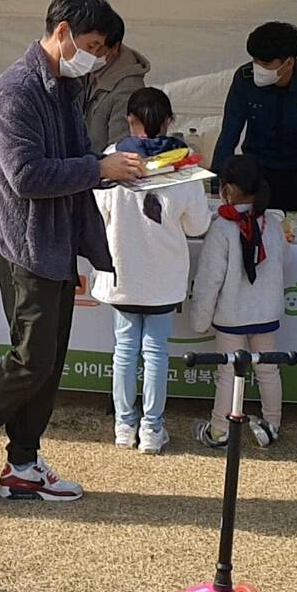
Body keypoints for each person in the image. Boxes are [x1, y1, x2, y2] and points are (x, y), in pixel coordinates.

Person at [0, 0, 144, 502]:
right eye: (92, 45)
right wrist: (99, 168)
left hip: (58, 241)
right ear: (62, 32)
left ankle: (24, 462)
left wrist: (116, 169)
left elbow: (78, 159)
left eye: (102, 50)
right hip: (26, 244)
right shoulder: (16, 89)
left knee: (50, 361)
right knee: (32, 358)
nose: (96, 57)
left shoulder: (65, 86)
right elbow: (26, 175)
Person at [89, 87, 211, 455]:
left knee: (125, 350)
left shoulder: (113, 157)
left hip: (123, 270)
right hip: (163, 275)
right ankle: (152, 430)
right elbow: (198, 225)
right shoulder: (185, 163)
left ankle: (124, 426)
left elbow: (99, 213)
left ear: (129, 119)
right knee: (156, 352)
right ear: (170, 121)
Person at [189, 155, 287, 449]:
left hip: (231, 316)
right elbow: (283, 261)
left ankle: (220, 431)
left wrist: (200, 320)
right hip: (266, 313)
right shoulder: (273, 223)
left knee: (228, 374)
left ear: (228, 189)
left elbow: (209, 280)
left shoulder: (222, 228)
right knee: (268, 370)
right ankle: (272, 425)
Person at [212, 20, 297, 212]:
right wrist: (217, 177)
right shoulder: (244, 79)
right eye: (255, 60)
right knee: (252, 225)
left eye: (266, 63)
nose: (258, 67)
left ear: (289, 62)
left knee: (294, 226)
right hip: (254, 174)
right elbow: (230, 130)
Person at [82, 13, 148, 154]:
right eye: (87, 46)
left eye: (96, 48)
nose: (89, 54)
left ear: (115, 48)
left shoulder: (128, 88)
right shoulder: (87, 72)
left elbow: (120, 148)